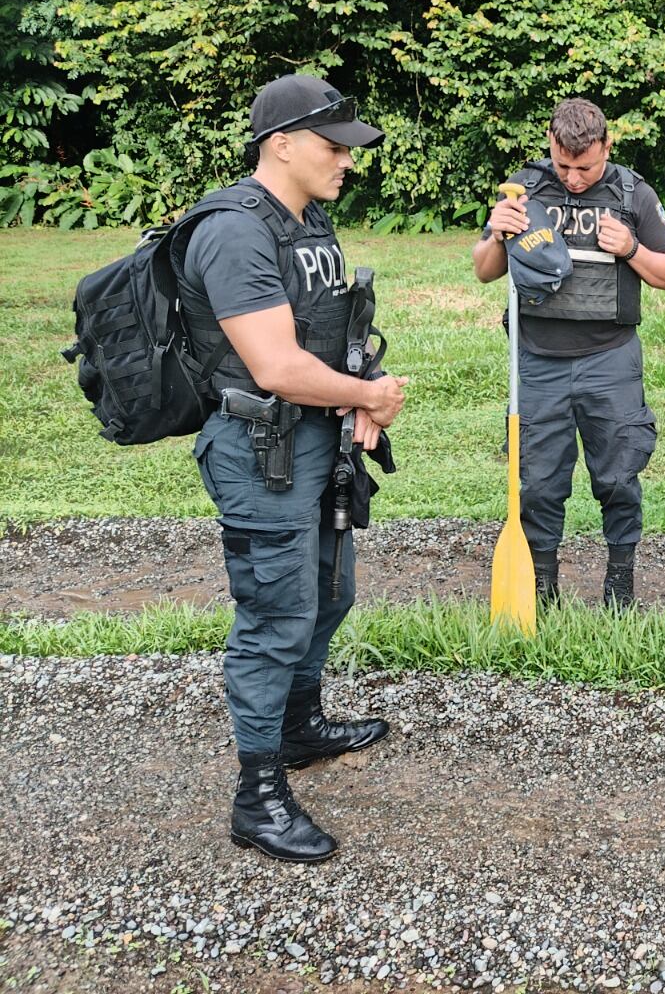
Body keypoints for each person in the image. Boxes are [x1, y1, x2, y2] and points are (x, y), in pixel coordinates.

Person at [175, 74, 409, 862]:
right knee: (275, 616)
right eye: (332, 146)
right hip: (259, 452)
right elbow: (275, 365)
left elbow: (325, 337)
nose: (347, 160)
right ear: (280, 145)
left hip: (316, 441)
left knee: (330, 593)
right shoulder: (235, 233)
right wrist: (368, 396)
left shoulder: (309, 223)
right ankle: (258, 795)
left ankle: (299, 726)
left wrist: (360, 394)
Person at [472, 98, 665, 610]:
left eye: (584, 167)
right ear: (550, 143)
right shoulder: (523, 189)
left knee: (618, 477)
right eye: (563, 165)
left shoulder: (632, 194)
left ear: (606, 147)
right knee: (538, 482)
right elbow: (484, 270)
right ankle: (542, 589)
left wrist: (631, 248)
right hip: (536, 360)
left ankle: (620, 586)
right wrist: (498, 234)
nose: (571, 177)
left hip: (610, 359)